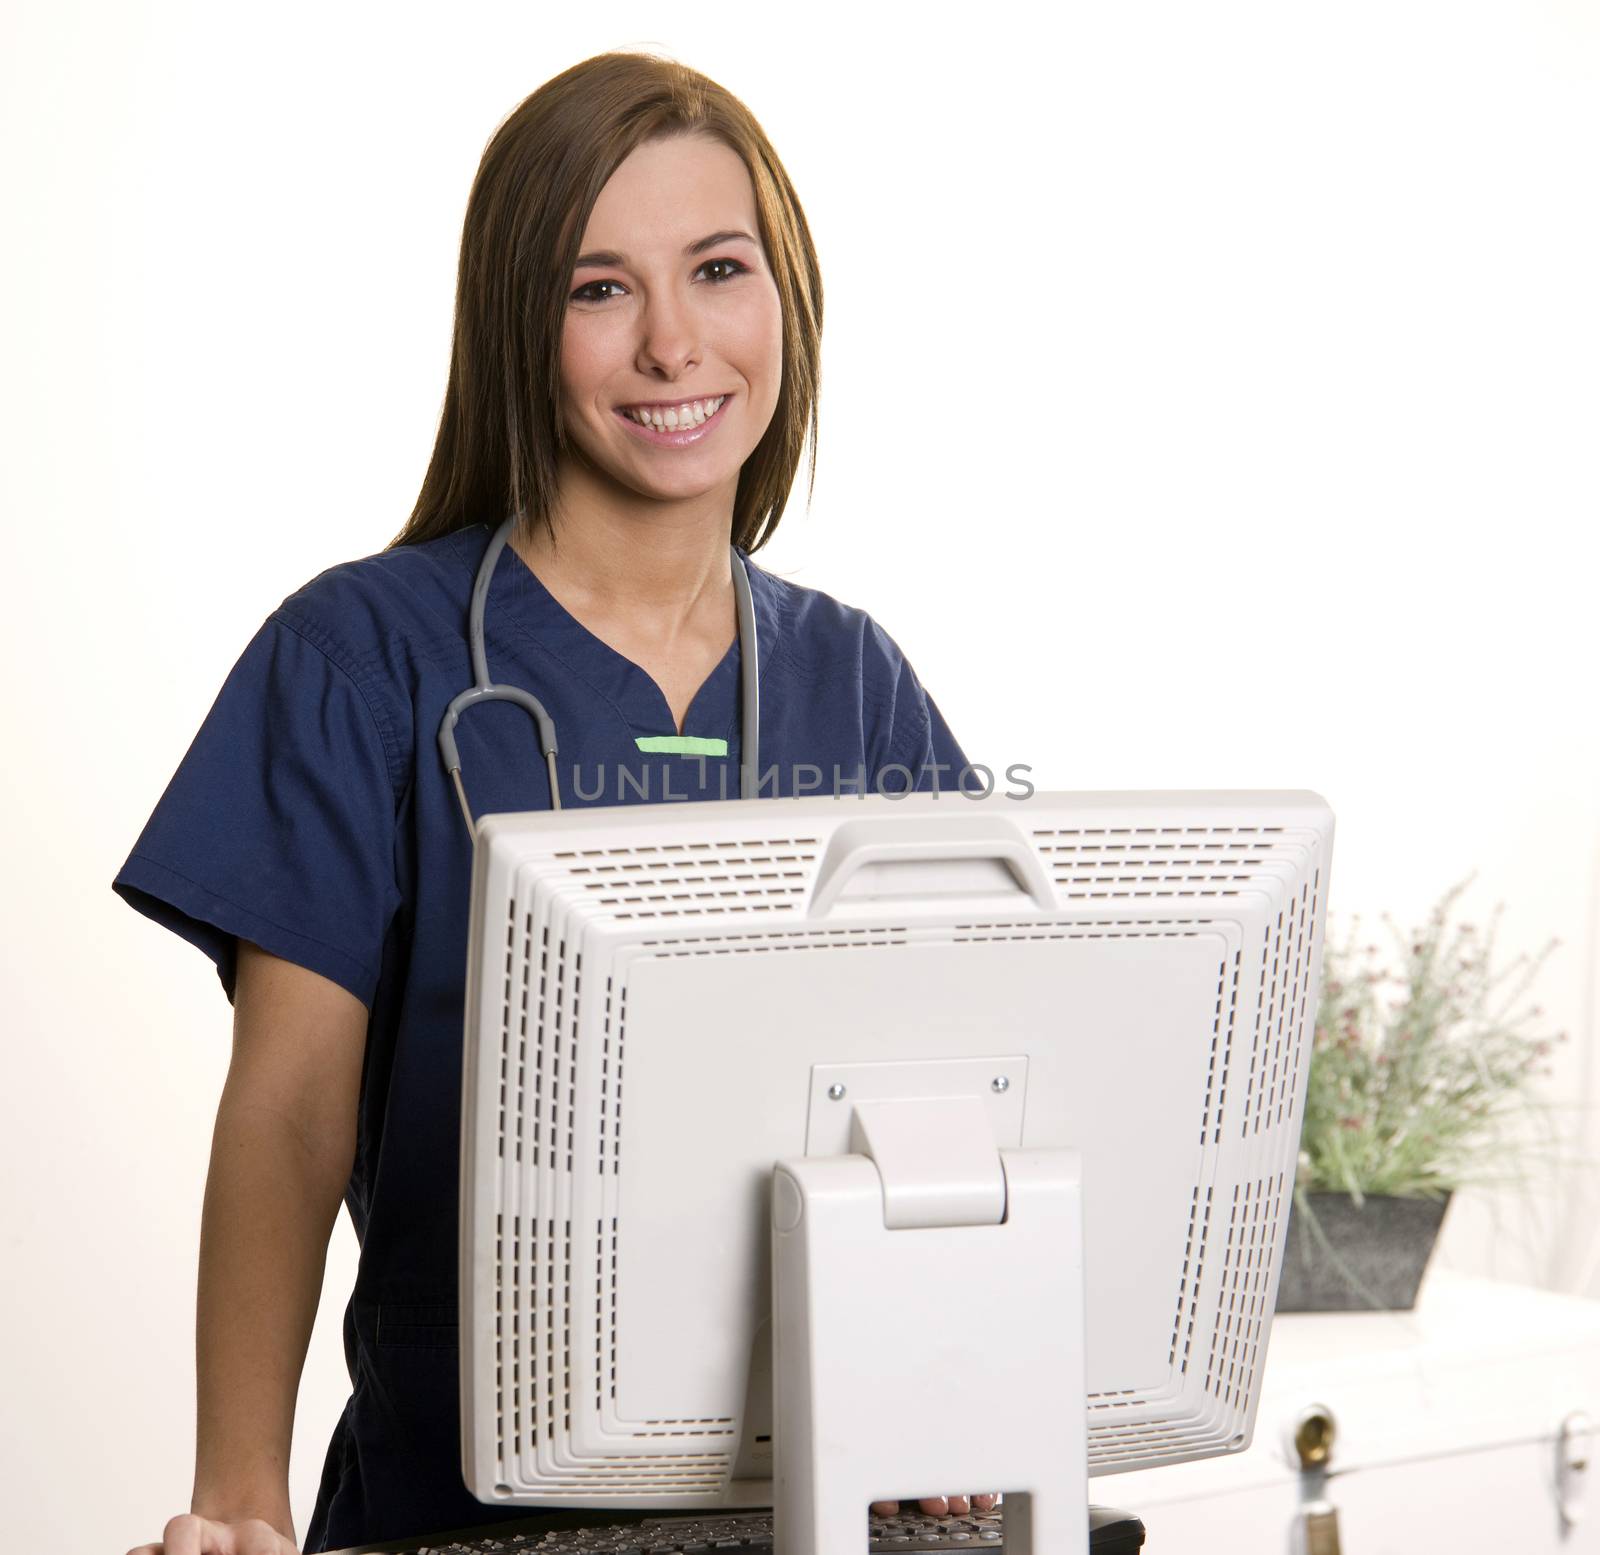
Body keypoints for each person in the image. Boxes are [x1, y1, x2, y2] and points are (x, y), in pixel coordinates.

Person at [116, 50, 990, 1555]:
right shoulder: (357, 660)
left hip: (814, 1508)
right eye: (598, 289)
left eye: (719, 270)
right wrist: (237, 1494)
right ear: (519, 325)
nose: (672, 343)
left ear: (787, 300)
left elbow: (951, 1109)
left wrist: (951, 1402)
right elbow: (290, 1116)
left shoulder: (857, 684)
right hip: (456, 1511)